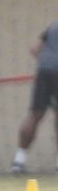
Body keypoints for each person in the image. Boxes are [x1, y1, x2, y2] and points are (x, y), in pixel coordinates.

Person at [12, 22, 58, 175]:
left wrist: (48, 63)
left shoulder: (53, 27)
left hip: (44, 70)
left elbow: (35, 49)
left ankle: (19, 161)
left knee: (35, 114)